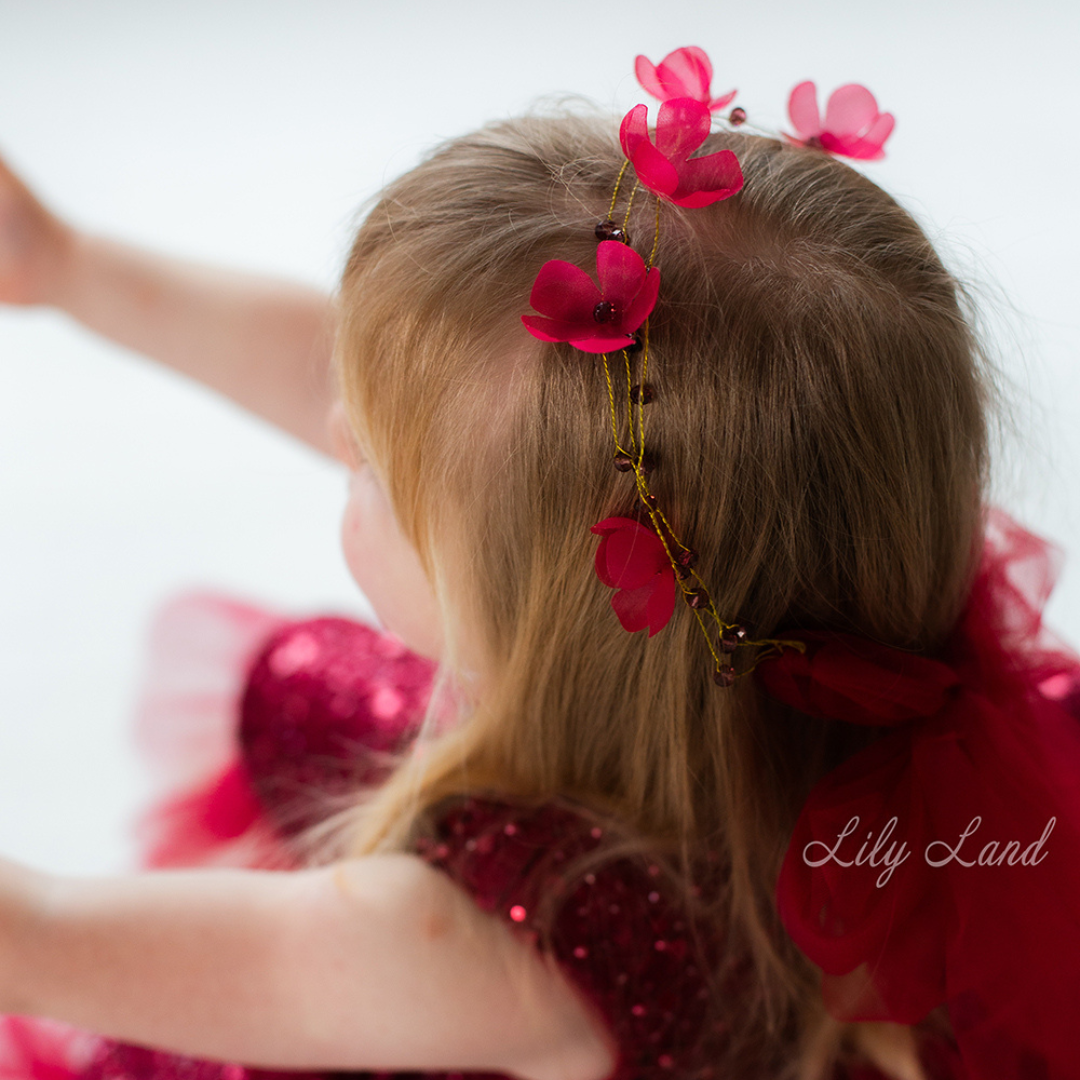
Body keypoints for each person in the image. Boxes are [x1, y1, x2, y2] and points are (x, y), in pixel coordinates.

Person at [1, 47, 1078, 1080]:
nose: (331, 427)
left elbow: (37, 936)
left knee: (302, 688)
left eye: (365, 465)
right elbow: (360, 385)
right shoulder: (809, 581)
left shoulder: (483, 949)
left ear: (548, 604)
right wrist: (67, 266)